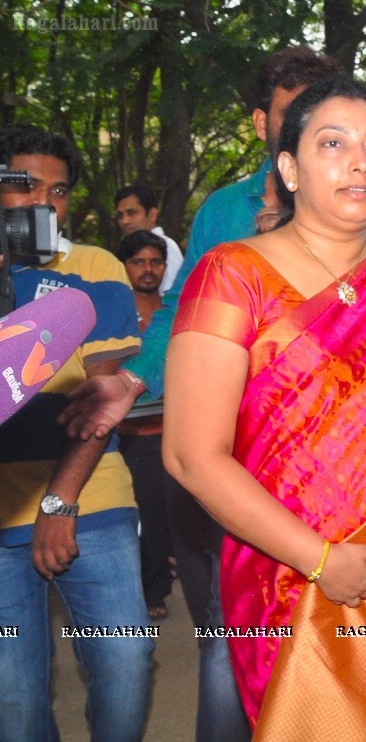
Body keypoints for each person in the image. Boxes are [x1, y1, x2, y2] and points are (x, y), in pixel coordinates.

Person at [162, 75, 366, 739]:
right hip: (290, 574)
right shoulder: (234, 274)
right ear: (288, 168)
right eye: (333, 143)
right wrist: (320, 558)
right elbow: (189, 455)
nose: (359, 162)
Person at [61, 45, 347, 742]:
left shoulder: (356, 200)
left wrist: (302, 254)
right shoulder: (224, 212)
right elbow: (185, 315)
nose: (310, 129)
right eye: (291, 115)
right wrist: (130, 381)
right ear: (260, 123)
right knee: (228, 639)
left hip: (332, 466)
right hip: (231, 462)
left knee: (334, 636)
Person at [0, 124, 153, 742]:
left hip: (90, 495)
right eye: (27, 185)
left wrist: (59, 503)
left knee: (126, 664)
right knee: (14, 700)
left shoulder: (93, 266)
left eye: (59, 191)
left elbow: (101, 397)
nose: (45, 203)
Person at [115, 230, 175, 620]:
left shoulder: (174, 311)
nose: (148, 269)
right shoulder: (115, 313)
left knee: (159, 515)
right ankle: (139, 590)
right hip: (125, 435)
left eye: (155, 262)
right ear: (125, 267)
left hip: (169, 432)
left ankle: (156, 588)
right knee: (134, 517)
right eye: (139, 262)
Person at [115, 184, 184, 293]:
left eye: (132, 213)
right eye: (120, 215)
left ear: (152, 214)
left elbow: (171, 296)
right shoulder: (128, 248)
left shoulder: (167, 247)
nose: (124, 221)